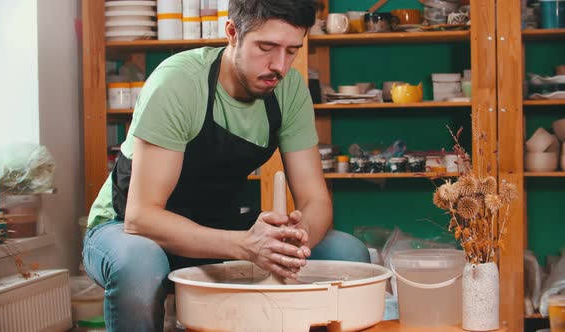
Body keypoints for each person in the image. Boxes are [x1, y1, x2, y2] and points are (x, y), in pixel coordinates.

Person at [83, 0, 369, 330]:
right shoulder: (177, 84)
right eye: (266, 47)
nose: (280, 65)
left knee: (347, 253)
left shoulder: (289, 91)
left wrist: (293, 240)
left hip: (219, 230)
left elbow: (316, 200)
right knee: (139, 266)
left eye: (292, 50)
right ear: (232, 32)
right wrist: (246, 246)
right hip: (127, 230)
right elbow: (141, 217)